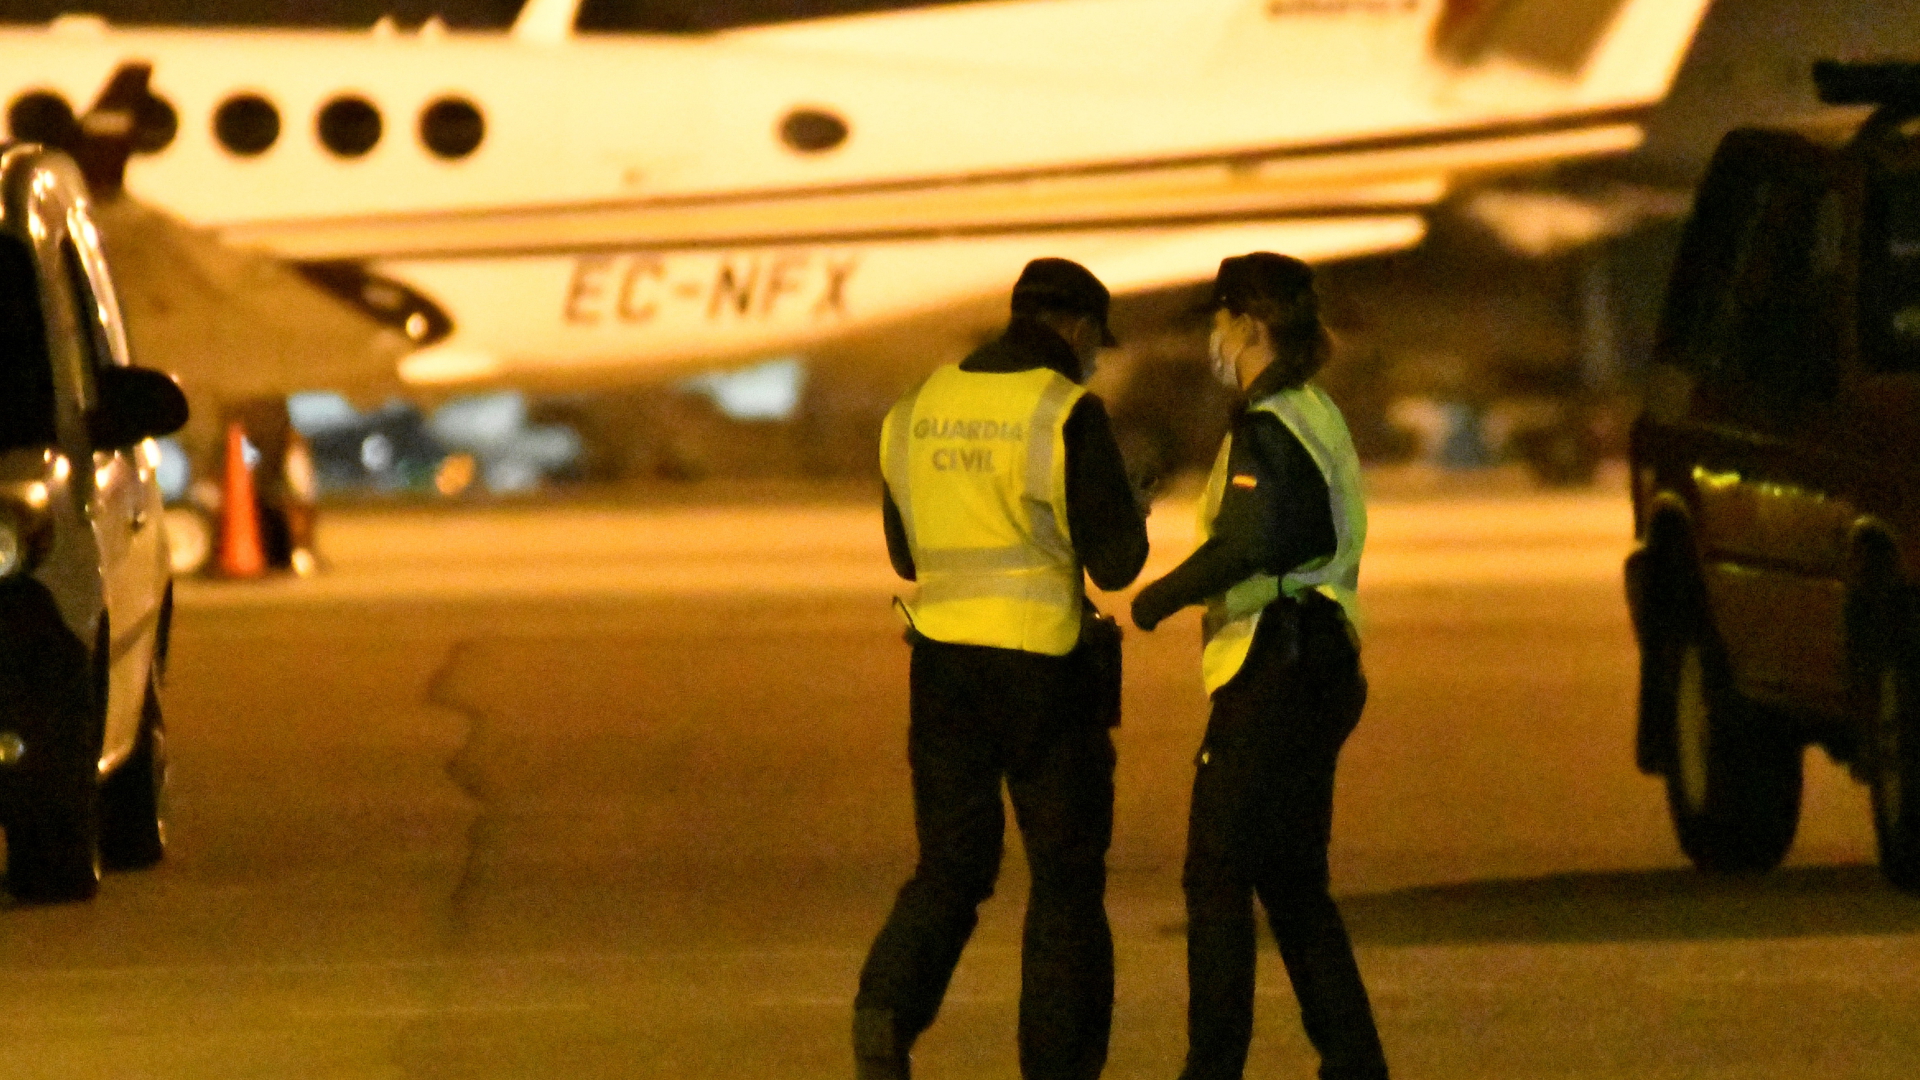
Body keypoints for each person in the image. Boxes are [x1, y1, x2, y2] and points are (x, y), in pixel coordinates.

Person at [855, 258, 1150, 1080]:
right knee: (1063, 884)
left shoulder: (917, 408)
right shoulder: (1064, 412)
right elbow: (1117, 563)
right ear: (1080, 328)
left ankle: (883, 1019)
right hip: (1043, 673)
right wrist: (1125, 502)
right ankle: (1058, 1067)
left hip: (942, 672)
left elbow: (904, 551)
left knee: (949, 870)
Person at [1130, 253, 1388, 1080]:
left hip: (1274, 671)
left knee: (1215, 879)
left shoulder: (1268, 423)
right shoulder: (1317, 411)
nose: (1212, 335)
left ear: (1250, 324)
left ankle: (1212, 1069)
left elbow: (1250, 540)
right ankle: (1354, 1063)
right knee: (1292, 882)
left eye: (1217, 319)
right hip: (1322, 662)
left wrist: (1157, 598)